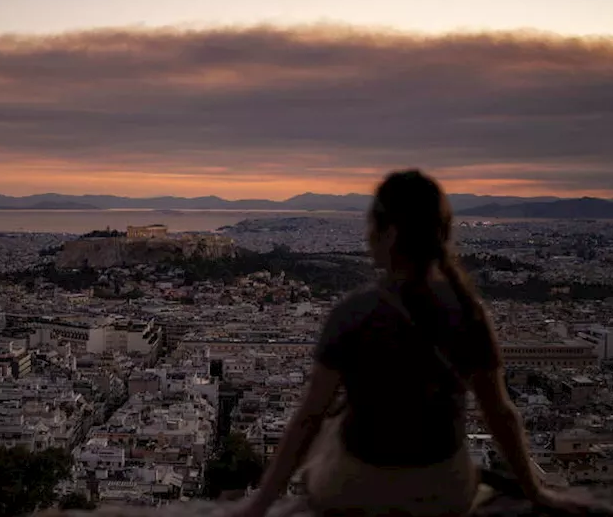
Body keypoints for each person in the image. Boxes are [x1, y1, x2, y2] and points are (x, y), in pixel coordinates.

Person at [230, 170, 578, 517]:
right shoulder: (468, 310)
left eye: (372, 228)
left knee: (327, 445)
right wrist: (536, 491)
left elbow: (309, 417)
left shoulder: (354, 311)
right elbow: (499, 413)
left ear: (390, 234)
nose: (367, 238)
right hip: (444, 490)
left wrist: (260, 504)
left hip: (355, 487)